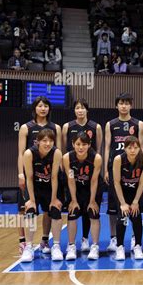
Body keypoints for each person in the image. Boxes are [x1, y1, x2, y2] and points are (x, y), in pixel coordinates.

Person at [17, 96, 61, 255]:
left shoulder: (55, 127)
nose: (43, 108)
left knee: (50, 210)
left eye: (46, 106)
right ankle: (24, 243)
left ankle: (45, 241)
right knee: (27, 208)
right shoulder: (25, 127)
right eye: (40, 106)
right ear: (35, 108)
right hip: (30, 174)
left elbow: (59, 151)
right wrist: (20, 173)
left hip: (49, 175)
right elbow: (21, 153)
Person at [104, 93, 143, 253]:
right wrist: (107, 168)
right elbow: (107, 146)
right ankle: (114, 239)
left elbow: (141, 146)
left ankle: (136, 239)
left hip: (134, 168)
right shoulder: (111, 124)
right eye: (121, 103)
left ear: (131, 106)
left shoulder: (138, 124)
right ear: (117, 106)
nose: (124, 106)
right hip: (116, 167)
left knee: (136, 208)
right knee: (114, 207)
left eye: (127, 103)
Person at [62, 99, 103, 252]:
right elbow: (71, 179)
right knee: (73, 211)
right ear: (74, 144)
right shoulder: (68, 156)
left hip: (90, 181)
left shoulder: (95, 130)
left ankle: (91, 243)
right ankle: (71, 245)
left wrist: (92, 201)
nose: (80, 110)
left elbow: (94, 181)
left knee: (91, 211)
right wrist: (72, 200)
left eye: (83, 108)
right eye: (77, 108)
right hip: (75, 181)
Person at [20, 129, 63, 262]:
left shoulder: (56, 152)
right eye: (44, 140)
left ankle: (55, 246)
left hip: (51, 187)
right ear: (37, 141)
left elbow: (55, 177)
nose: (48, 143)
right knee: (30, 212)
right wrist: (31, 200)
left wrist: (54, 198)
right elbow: (29, 177)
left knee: (55, 210)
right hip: (34, 186)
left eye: (50, 140)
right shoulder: (29, 153)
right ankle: (28, 247)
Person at [113, 136, 143, 260]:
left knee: (136, 216)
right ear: (125, 148)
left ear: (139, 148)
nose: (133, 150)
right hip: (122, 192)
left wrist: (135, 201)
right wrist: (123, 203)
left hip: (136, 192)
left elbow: (142, 182)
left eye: (135, 147)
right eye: (130, 148)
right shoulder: (119, 159)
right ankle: (120, 246)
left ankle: (138, 245)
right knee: (122, 217)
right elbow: (116, 182)